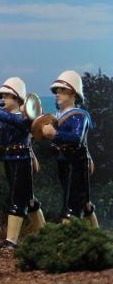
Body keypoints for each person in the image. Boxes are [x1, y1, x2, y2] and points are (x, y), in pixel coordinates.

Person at [0, 77, 45, 249]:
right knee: (28, 199)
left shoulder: (24, 118)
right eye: (2, 96)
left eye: (6, 96)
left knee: (17, 197)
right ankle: (45, 233)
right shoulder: (6, 118)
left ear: (17, 98)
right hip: (10, 159)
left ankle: (12, 240)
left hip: (21, 159)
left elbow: (12, 121)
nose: (3, 99)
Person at [41, 70, 98, 228]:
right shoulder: (57, 115)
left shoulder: (79, 115)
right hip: (64, 162)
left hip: (76, 163)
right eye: (57, 91)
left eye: (63, 91)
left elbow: (76, 138)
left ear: (74, 93)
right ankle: (96, 235)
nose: (58, 94)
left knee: (71, 203)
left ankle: (66, 241)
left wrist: (55, 134)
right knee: (81, 201)